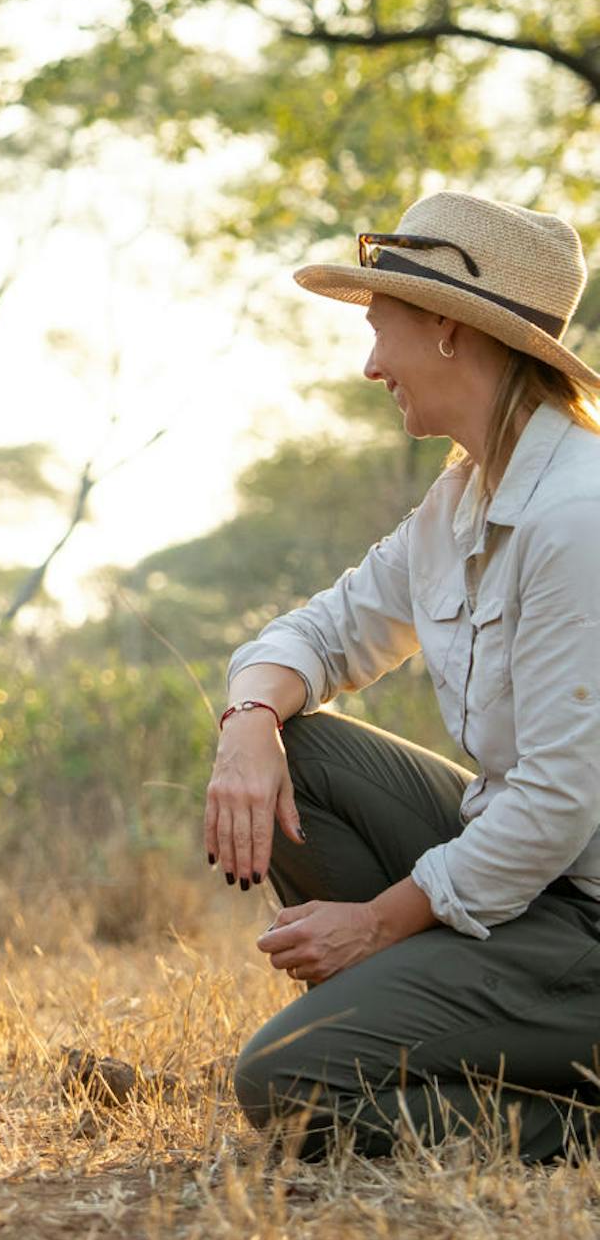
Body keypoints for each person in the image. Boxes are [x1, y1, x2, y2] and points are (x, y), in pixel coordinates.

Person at [210, 192, 600, 1163]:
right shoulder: (462, 497)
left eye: (381, 329)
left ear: (448, 330)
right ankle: (428, 1028)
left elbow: (556, 806)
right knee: (301, 745)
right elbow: (325, 632)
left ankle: (572, 1119)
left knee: (286, 1085)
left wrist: (379, 927)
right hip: (527, 885)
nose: (371, 363)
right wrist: (248, 718)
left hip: (586, 918)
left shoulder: (575, 516)